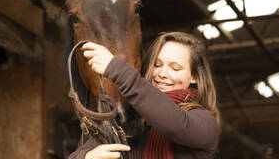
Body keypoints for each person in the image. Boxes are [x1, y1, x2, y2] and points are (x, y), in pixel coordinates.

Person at [68, 32, 221, 159]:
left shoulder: (206, 124)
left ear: (194, 77)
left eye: (175, 68)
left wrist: (115, 69)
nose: (162, 74)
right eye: (157, 64)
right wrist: (86, 157)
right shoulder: (127, 121)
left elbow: (174, 123)